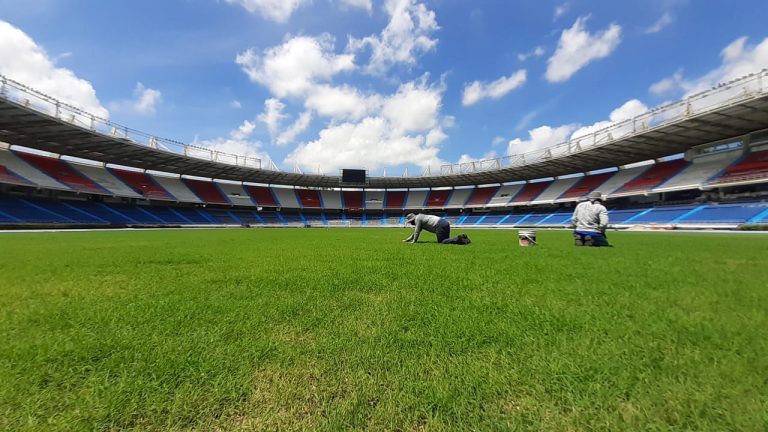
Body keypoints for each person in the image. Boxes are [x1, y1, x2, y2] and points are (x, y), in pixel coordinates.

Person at [402, 213, 470, 245]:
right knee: (448, 240)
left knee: (442, 241)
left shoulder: (418, 219)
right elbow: (415, 233)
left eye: (411, 222)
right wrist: (407, 240)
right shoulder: (421, 217)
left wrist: (414, 241)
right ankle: (464, 240)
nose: (411, 224)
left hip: (439, 225)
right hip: (445, 222)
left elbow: (416, 232)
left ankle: (459, 238)